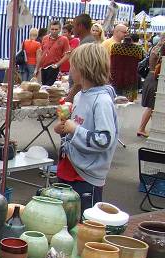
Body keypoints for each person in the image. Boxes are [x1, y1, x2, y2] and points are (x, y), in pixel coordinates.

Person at [54, 43, 118, 210]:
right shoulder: (79, 96)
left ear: (83, 69)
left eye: (73, 66)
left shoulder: (102, 101)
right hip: (68, 168)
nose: (70, 70)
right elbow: (75, 129)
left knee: (83, 220)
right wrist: (63, 129)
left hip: (86, 177)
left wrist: (74, 129)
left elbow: (104, 140)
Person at [64, 14, 95, 102]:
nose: (72, 30)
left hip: (83, 95)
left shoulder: (87, 45)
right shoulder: (86, 42)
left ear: (80, 26)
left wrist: (69, 98)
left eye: (73, 27)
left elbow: (83, 76)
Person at [137, 39, 164, 137]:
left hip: (150, 77)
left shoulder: (155, 48)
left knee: (152, 106)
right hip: (154, 79)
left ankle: (155, 128)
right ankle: (141, 128)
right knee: (151, 106)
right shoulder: (160, 51)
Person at [110, 34, 143, 101]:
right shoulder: (138, 49)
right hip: (130, 77)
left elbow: (112, 60)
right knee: (127, 101)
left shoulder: (115, 46)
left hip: (116, 76)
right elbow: (140, 60)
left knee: (115, 99)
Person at [36, 21, 71, 86]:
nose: (54, 31)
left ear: (59, 30)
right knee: (44, 87)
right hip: (44, 67)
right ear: (49, 29)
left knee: (49, 87)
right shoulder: (45, 38)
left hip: (54, 67)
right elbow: (41, 53)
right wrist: (37, 68)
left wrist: (57, 64)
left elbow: (67, 54)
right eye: (52, 29)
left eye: (56, 29)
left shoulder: (64, 39)